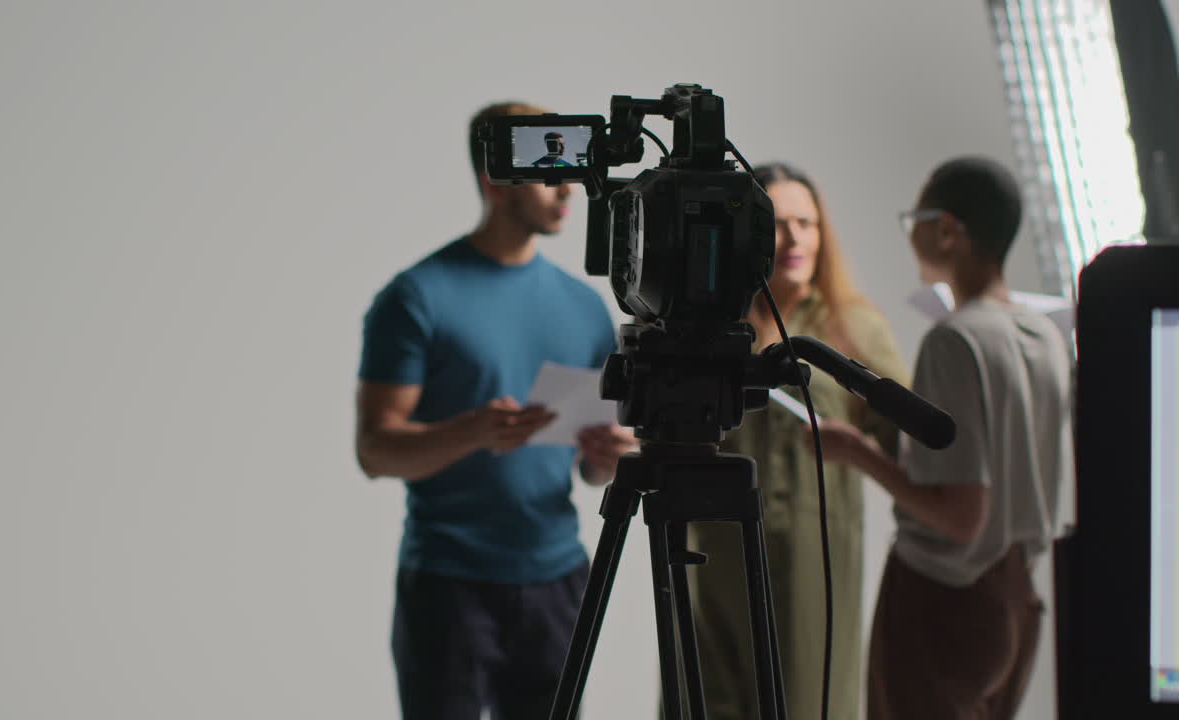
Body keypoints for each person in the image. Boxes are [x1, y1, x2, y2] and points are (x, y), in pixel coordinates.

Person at [354, 101, 638, 720]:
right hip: (449, 584)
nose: (568, 188)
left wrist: (607, 457)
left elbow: (593, 469)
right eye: (546, 171)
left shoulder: (586, 307)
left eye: (569, 169)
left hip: (558, 582)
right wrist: (474, 431)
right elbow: (374, 451)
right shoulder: (416, 297)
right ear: (495, 177)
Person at [813, 156, 1071, 719]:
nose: (913, 236)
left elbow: (959, 517)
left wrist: (855, 452)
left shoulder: (955, 340)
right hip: (1017, 602)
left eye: (917, 221)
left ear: (948, 230)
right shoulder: (1045, 335)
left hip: (944, 600)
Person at [687, 163, 909, 720]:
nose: (794, 239)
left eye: (807, 224)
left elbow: (908, 445)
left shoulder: (851, 326)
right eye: (779, 223)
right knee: (706, 700)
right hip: (714, 557)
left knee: (808, 702)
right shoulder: (710, 326)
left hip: (813, 561)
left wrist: (855, 448)